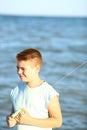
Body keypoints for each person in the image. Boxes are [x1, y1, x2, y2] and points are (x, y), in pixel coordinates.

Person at [6, 48, 62, 130]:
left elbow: (57, 122)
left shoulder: (49, 92)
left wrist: (30, 120)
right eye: (18, 68)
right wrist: (11, 121)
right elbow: (14, 115)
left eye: (23, 69)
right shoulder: (16, 90)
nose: (19, 72)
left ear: (37, 68)